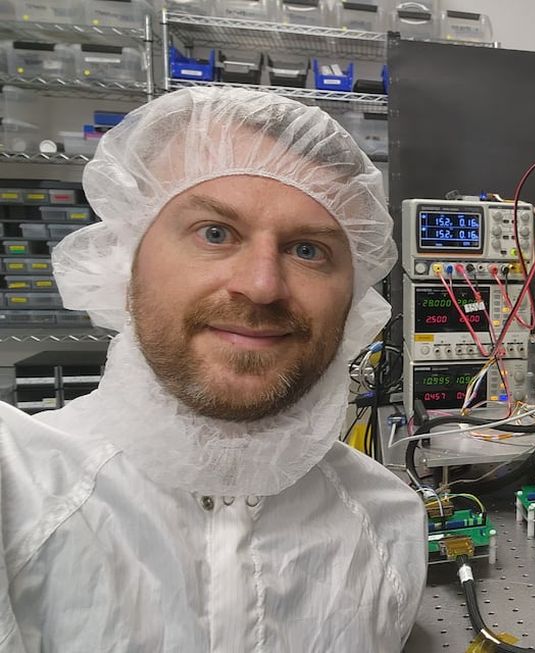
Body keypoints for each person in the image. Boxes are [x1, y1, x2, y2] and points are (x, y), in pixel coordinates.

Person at [0, 87, 426, 651]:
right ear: (124, 265)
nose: (262, 285)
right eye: (215, 233)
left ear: (355, 300)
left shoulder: (388, 525)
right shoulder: (18, 489)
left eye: (308, 250)